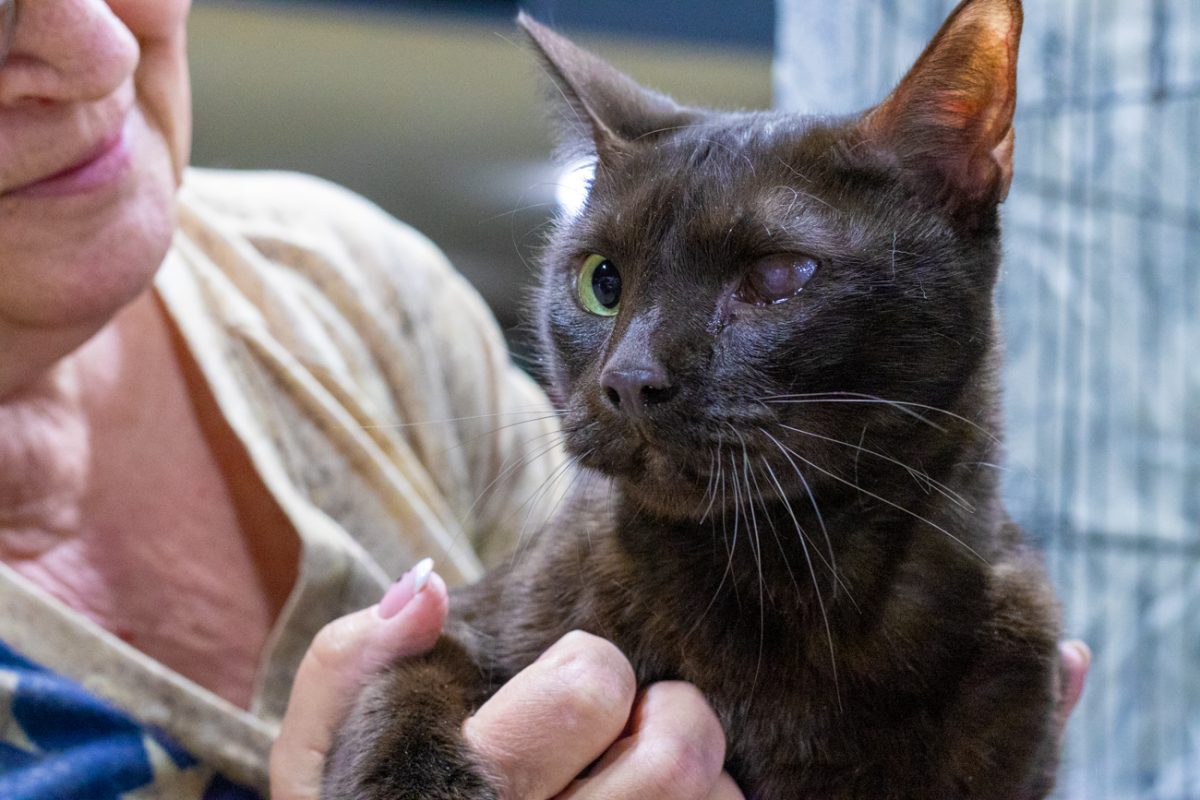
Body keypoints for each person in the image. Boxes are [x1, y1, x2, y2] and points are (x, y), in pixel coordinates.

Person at [0, 2, 1089, 799]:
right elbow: (442, 663)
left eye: (769, 282)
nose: (629, 370)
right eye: (602, 286)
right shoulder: (596, 571)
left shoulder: (346, 284)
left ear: (956, 193)